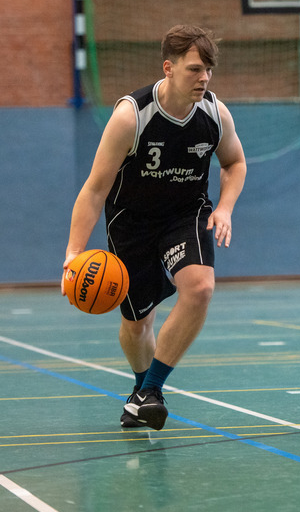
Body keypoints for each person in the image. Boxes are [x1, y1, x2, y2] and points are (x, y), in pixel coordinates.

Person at [64, 24, 246, 431]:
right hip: (132, 222)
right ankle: (139, 390)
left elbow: (235, 163)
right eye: (195, 69)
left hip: (186, 214)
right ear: (168, 67)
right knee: (136, 323)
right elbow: (95, 190)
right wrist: (73, 253)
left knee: (200, 288)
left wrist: (226, 208)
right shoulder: (131, 116)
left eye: (209, 70)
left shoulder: (215, 114)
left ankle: (153, 390)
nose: (204, 78)